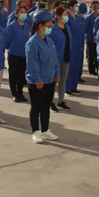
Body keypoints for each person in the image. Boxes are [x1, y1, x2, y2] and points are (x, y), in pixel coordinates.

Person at [25, 9, 61, 143]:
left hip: (50, 79)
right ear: (40, 26)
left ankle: (45, 130)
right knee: (36, 107)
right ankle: (35, 131)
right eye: (48, 26)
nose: (50, 28)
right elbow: (32, 63)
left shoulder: (49, 41)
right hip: (38, 81)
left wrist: (57, 73)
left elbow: (54, 59)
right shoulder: (32, 43)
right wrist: (37, 79)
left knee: (46, 106)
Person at [3, 5, 30, 103]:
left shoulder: (26, 26)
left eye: (25, 12)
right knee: (13, 75)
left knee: (21, 75)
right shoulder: (11, 26)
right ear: (16, 14)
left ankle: (20, 92)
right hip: (14, 54)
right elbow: (6, 40)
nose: (23, 14)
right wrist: (10, 47)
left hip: (24, 54)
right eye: (21, 12)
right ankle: (15, 93)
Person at [49, 7, 73, 112]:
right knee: (53, 81)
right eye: (64, 14)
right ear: (58, 16)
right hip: (56, 59)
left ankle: (61, 101)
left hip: (66, 57)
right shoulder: (53, 29)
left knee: (63, 81)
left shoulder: (67, 28)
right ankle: (51, 102)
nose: (66, 16)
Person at [65, 0, 85, 97]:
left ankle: (74, 87)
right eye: (76, 6)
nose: (77, 8)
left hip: (79, 46)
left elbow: (82, 32)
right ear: (70, 7)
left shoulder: (78, 18)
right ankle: (67, 88)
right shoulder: (67, 18)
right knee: (70, 68)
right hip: (71, 46)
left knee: (77, 67)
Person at [85, 1, 99, 76]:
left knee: (97, 54)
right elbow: (85, 28)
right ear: (93, 9)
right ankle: (91, 70)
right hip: (90, 39)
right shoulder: (89, 17)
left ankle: (97, 68)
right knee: (91, 55)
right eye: (98, 8)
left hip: (98, 39)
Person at [77, 2, 88, 83]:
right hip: (76, 43)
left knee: (80, 61)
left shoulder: (83, 19)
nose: (83, 14)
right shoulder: (75, 19)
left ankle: (79, 76)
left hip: (81, 42)